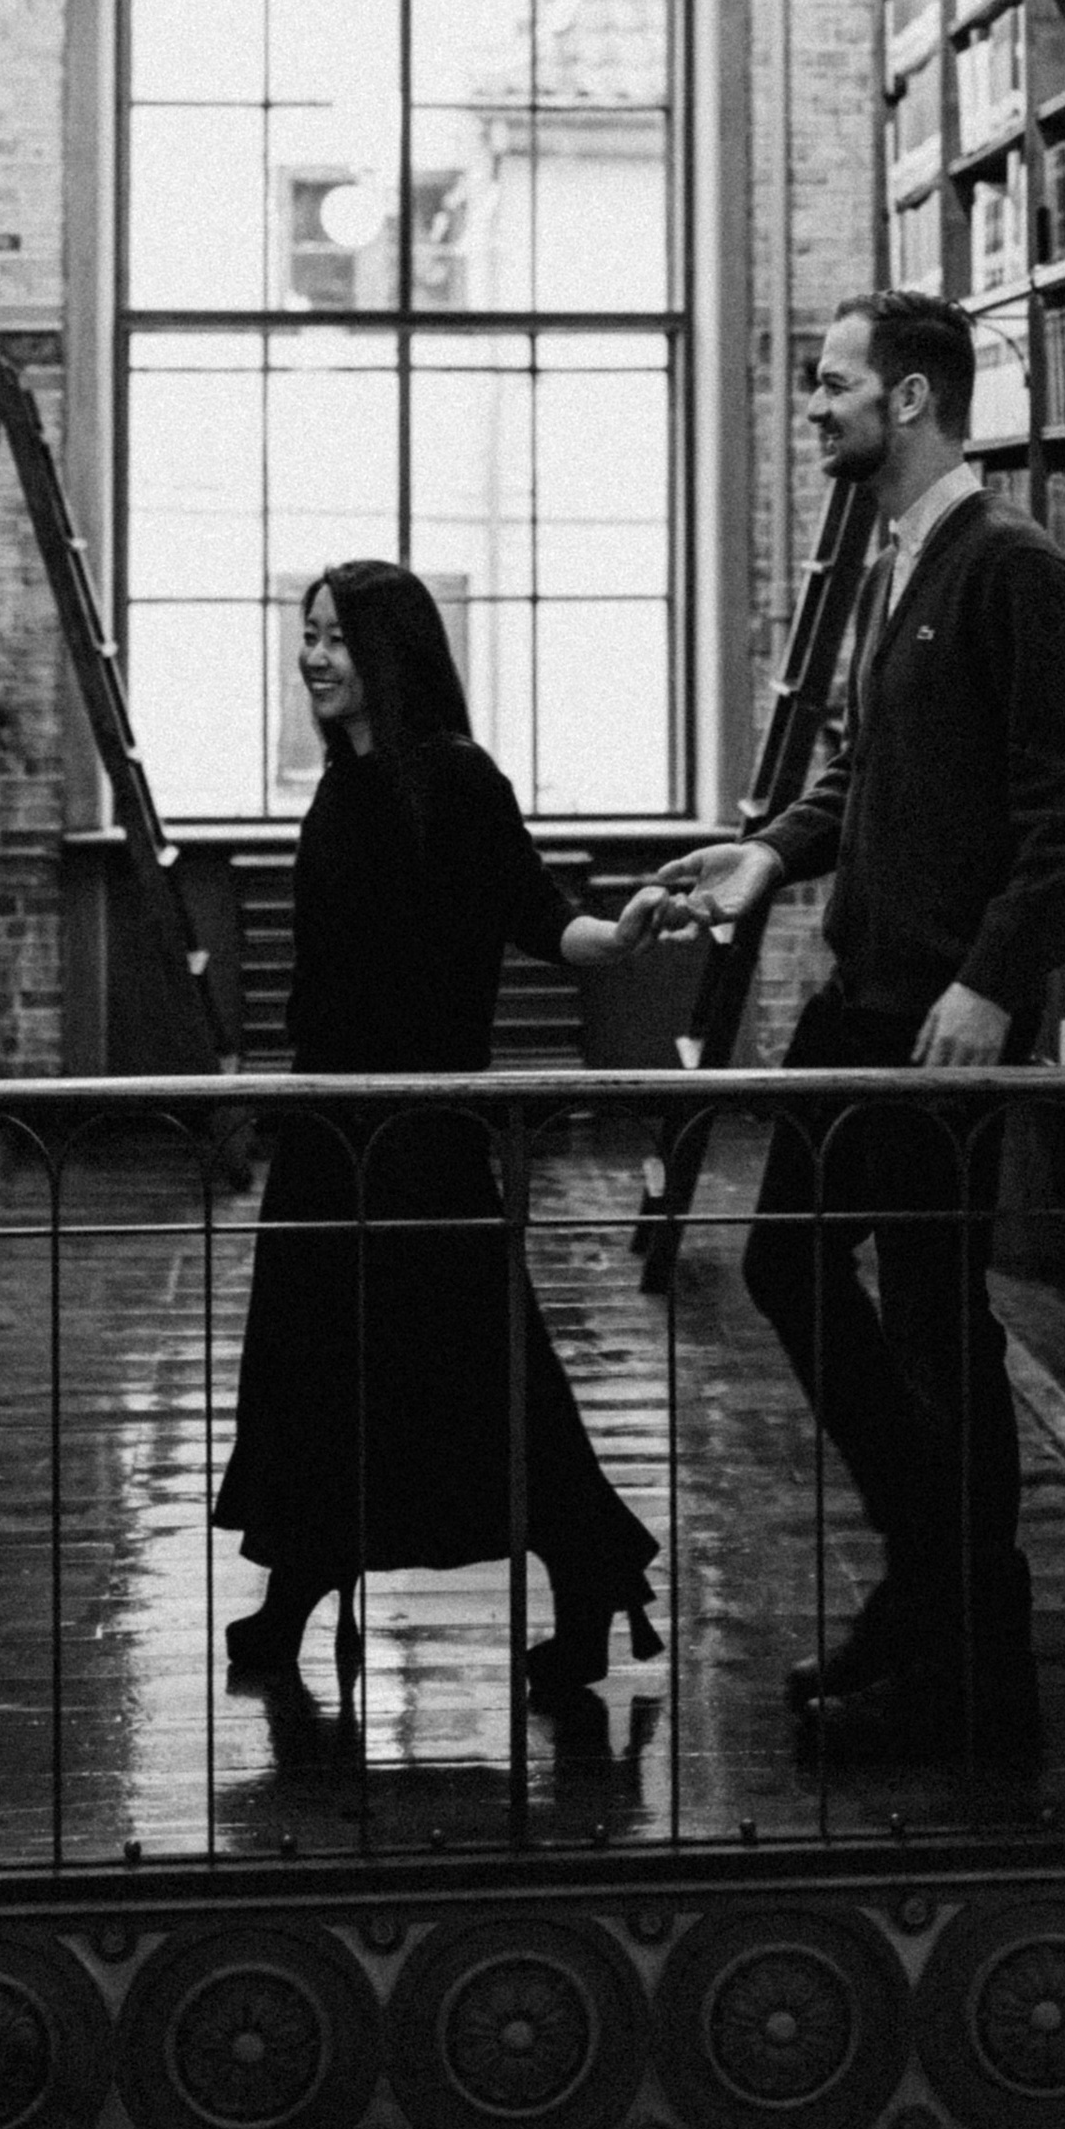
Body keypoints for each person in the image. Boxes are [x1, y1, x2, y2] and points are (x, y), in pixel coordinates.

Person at [654, 290, 1065, 1761]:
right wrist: (772, 854)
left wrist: (992, 984)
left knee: (934, 1326)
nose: (814, 407)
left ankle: (970, 1645)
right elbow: (863, 773)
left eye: (834, 385)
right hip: (860, 1001)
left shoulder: (1013, 571)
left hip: (936, 1023)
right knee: (795, 1269)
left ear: (911, 400)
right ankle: (941, 1591)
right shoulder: (894, 566)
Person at [214, 560, 667, 1701]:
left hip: (419, 1137)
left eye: (332, 637)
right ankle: (301, 1580)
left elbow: (535, 910)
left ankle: (591, 1560)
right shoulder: (343, 779)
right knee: (321, 1358)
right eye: (305, 634)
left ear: (389, 650)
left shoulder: (456, 779)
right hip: (329, 1122)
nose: (310, 653)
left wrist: (618, 939)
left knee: (472, 1368)